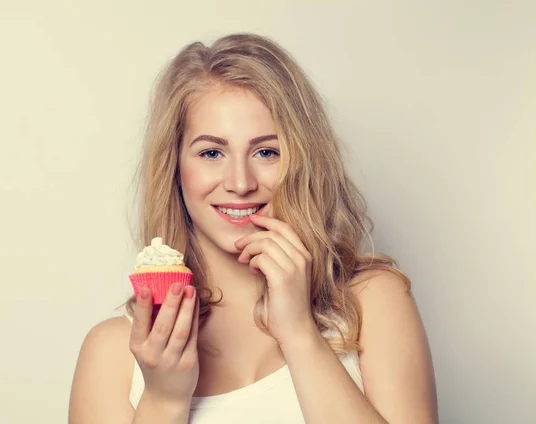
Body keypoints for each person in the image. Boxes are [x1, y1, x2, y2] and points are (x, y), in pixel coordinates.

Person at [68, 33, 438, 424]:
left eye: (266, 152)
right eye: (211, 153)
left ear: (301, 162)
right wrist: (163, 400)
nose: (240, 182)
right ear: (175, 170)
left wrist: (299, 334)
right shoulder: (113, 353)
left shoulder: (371, 301)